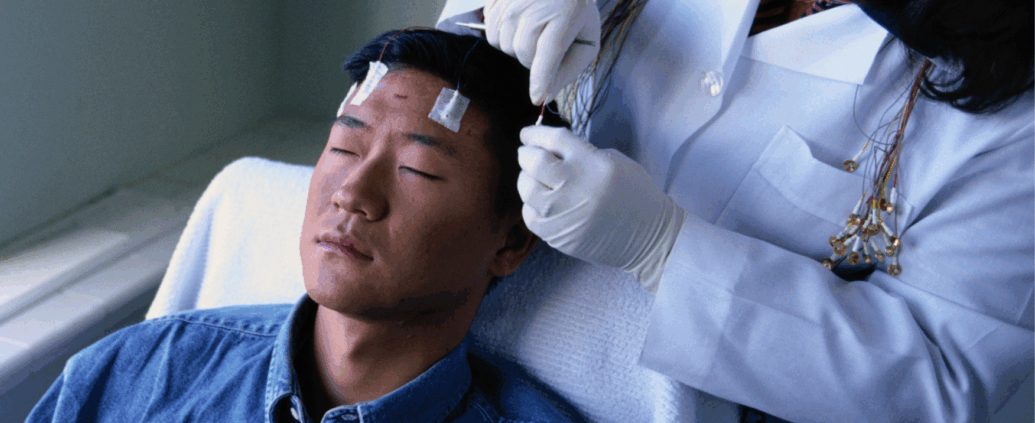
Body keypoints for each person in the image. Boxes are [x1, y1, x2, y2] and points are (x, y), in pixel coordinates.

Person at [439, 0, 1033, 421]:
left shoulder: (1012, 126)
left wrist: (665, 251)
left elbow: (938, 388)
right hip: (444, 351)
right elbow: (437, 83)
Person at [25, 28, 582, 423]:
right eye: (344, 148)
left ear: (511, 240)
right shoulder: (135, 375)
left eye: (417, 169)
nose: (352, 194)